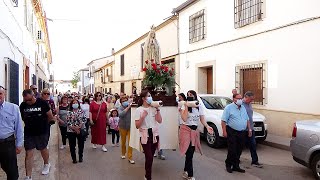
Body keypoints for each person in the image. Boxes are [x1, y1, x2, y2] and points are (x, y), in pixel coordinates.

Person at [20, 89, 56, 180]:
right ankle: (28, 176)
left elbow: (50, 116)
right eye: (26, 100)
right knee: (28, 153)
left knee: (42, 149)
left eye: (29, 99)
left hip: (42, 131)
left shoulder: (42, 103)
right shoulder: (23, 106)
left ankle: (46, 164)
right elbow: (23, 118)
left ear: (34, 96)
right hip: (29, 132)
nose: (28, 102)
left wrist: (45, 126)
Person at [179, 90, 213, 180]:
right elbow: (184, 118)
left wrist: (207, 126)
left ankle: (185, 171)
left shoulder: (199, 106)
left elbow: (202, 119)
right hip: (185, 130)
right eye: (188, 95)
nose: (190, 96)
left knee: (191, 153)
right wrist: (186, 106)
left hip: (194, 131)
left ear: (195, 96)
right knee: (189, 152)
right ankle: (190, 175)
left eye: (192, 95)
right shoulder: (184, 105)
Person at [135, 90, 162, 180]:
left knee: (150, 157)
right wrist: (142, 117)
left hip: (154, 135)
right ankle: (148, 176)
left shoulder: (154, 108)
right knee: (149, 156)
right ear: (143, 98)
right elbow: (137, 126)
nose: (150, 97)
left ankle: (147, 174)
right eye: (148, 96)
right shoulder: (139, 110)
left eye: (151, 95)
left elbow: (159, 121)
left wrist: (158, 109)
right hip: (144, 135)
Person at [221, 93, 252, 173]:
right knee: (232, 149)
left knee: (239, 149)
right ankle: (228, 164)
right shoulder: (229, 108)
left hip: (242, 132)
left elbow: (247, 119)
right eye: (238, 98)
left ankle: (236, 166)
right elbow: (223, 121)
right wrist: (224, 131)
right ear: (233, 99)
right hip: (232, 131)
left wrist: (249, 129)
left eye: (241, 98)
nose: (240, 100)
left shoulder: (243, 108)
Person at [0, 86, 24, 180]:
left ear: (4, 94)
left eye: (0, 94)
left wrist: (19, 144)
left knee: (12, 171)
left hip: (8, 144)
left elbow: (19, 127)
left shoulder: (13, 108)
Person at [243, 91, 263, 168]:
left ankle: (254, 161)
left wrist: (250, 128)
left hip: (250, 129)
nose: (252, 101)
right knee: (239, 146)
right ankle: (235, 161)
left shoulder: (249, 104)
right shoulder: (240, 104)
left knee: (253, 145)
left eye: (252, 99)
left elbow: (249, 116)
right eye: (251, 99)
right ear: (246, 97)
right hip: (242, 129)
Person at [118, 96, 135, 164]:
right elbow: (121, 115)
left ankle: (130, 157)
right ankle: (123, 153)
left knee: (130, 142)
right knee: (123, 141)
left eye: (126, 100)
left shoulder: (131, 107)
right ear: (121, 102)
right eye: (123, 101)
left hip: (130, 126)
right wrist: (128, 108)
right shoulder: (120, 108)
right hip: (122, 127)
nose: (125, 102)